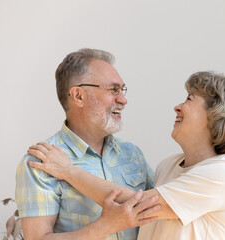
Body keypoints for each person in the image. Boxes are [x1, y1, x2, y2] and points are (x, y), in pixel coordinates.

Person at [28, 71, 225, 239]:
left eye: (189, 99)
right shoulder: (168, 166)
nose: (177, 107)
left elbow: (138, 205)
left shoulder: (223, 171)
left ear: (217, 115)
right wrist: (26, 216)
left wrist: (68, 171)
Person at [15, 48, 160, 240]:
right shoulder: (39, 163)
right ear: (78, 96)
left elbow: (160, 211)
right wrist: (105, 226)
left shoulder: (132, 154)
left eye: (122, 90)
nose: (123, 100)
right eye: (113, 90)